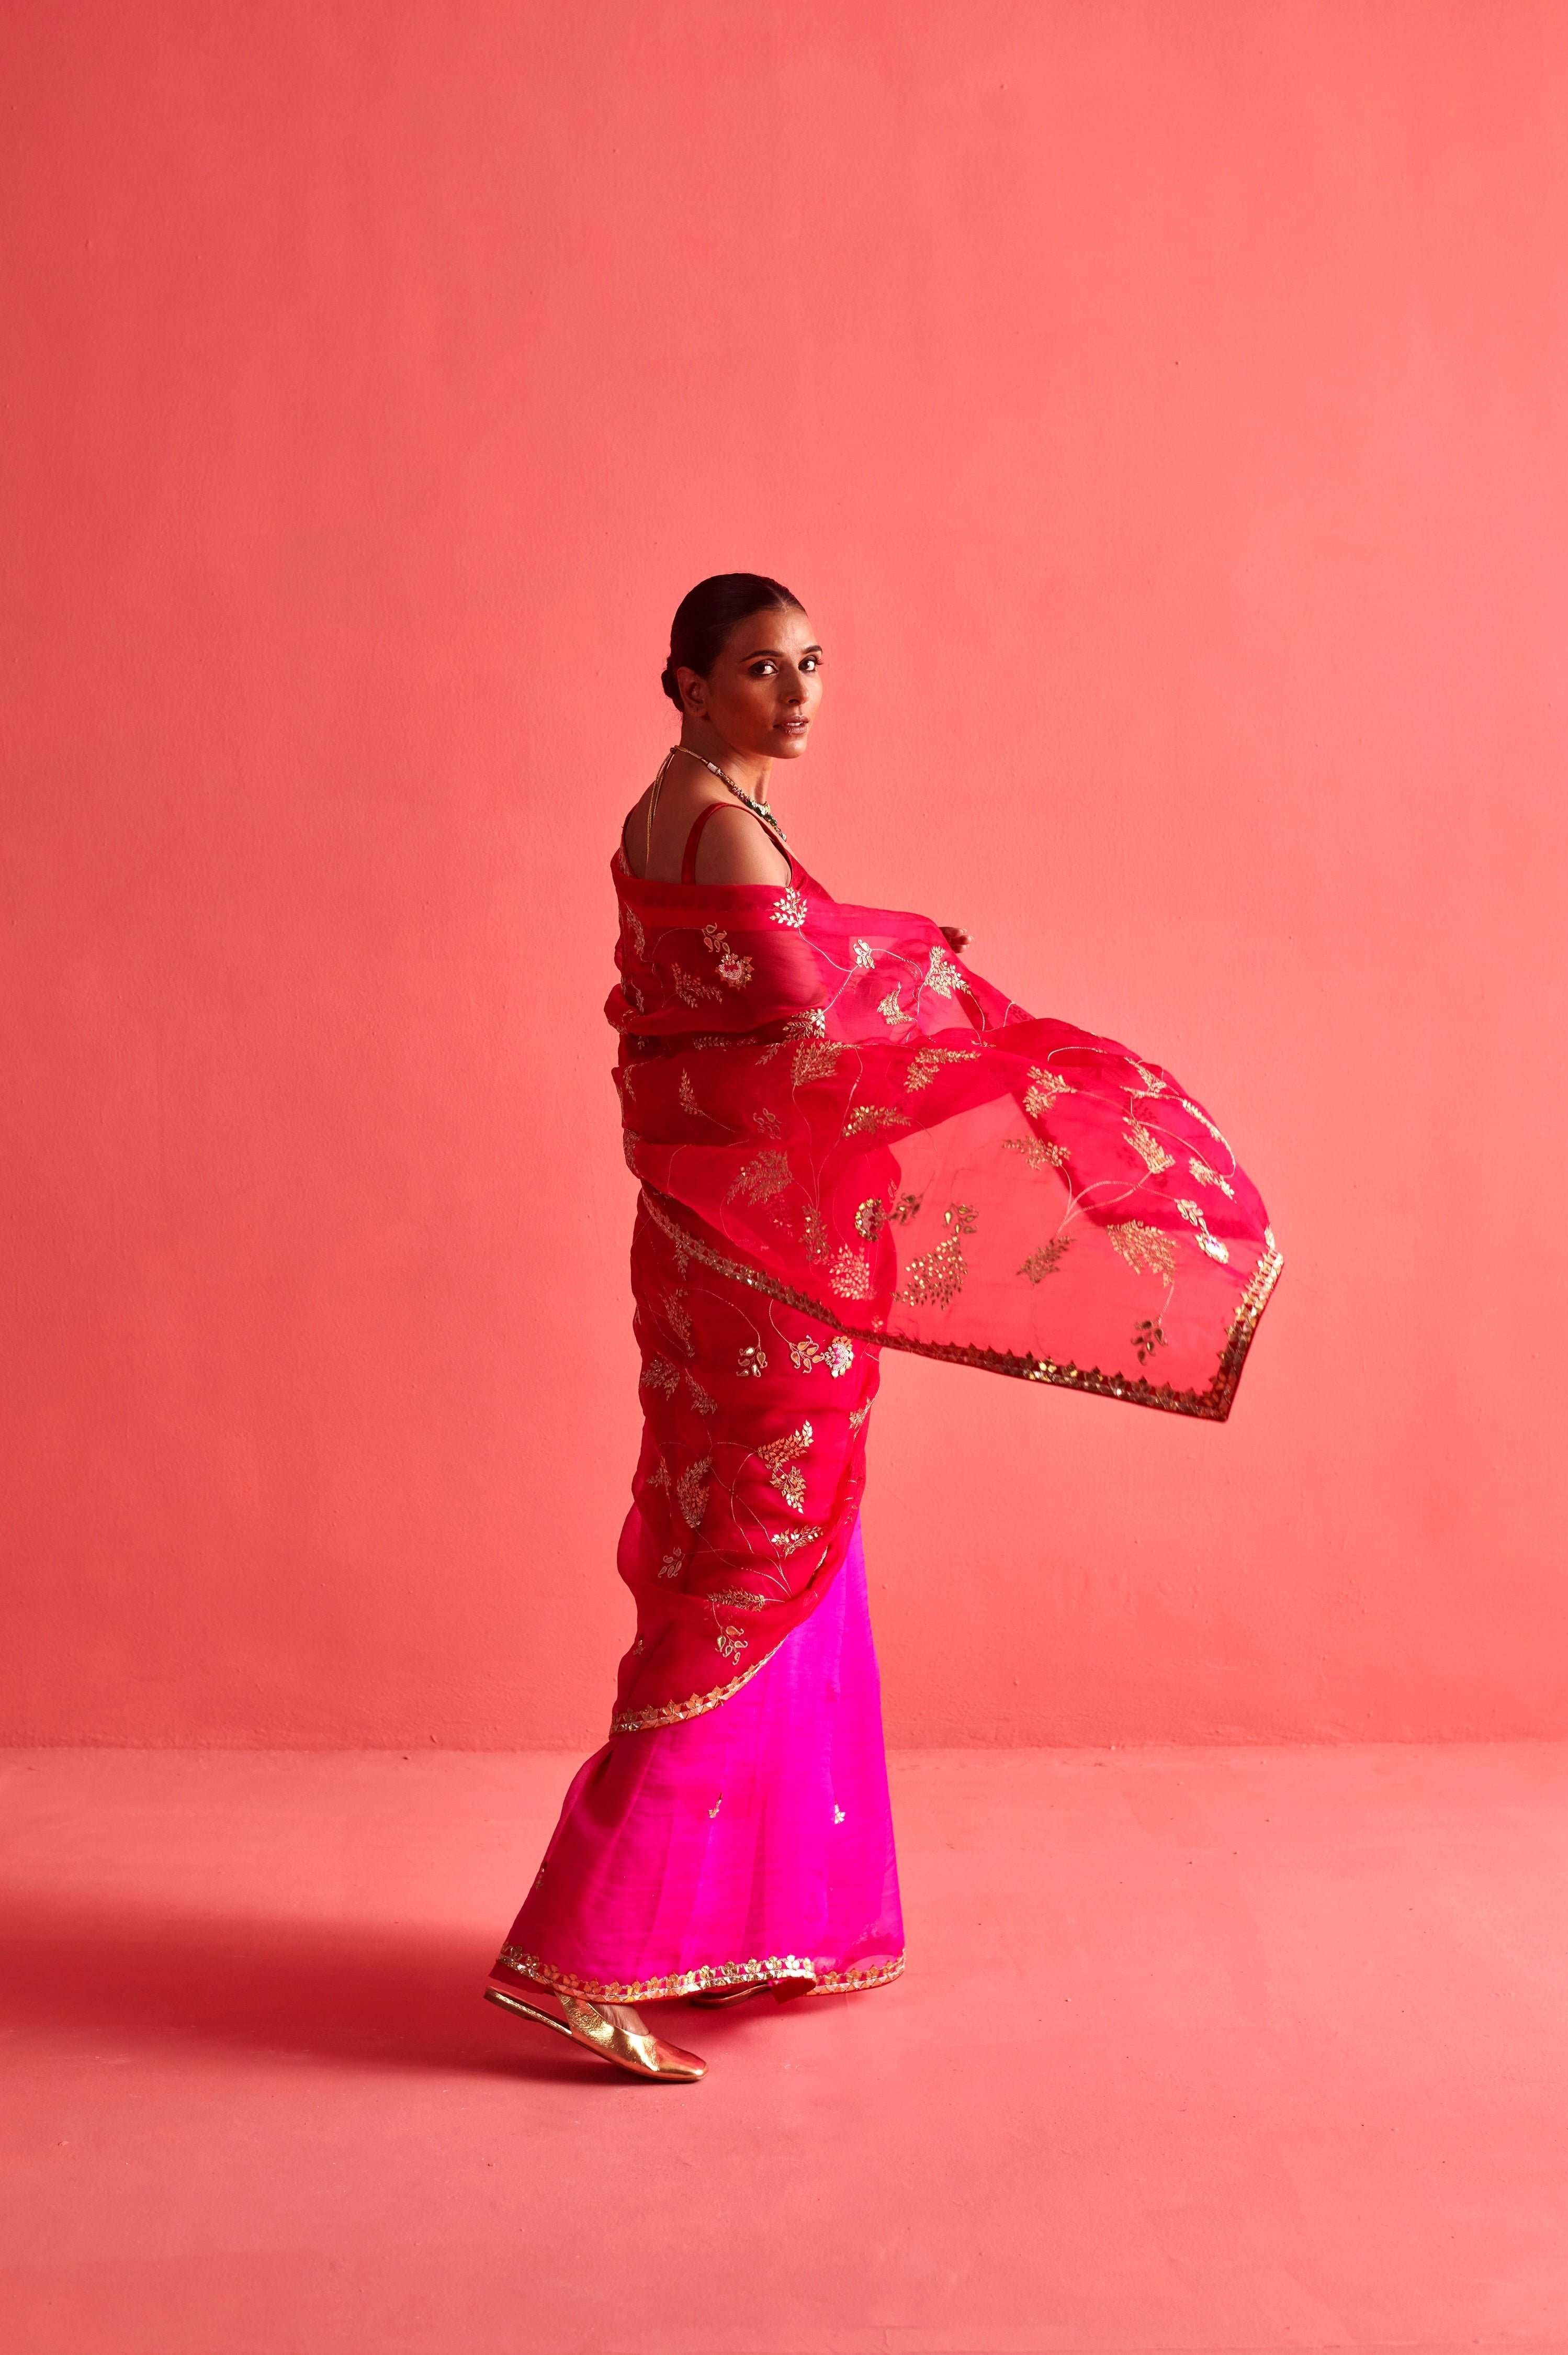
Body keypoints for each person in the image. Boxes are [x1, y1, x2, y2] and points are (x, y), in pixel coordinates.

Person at [484, 573, 1281, 2081]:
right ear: (688, 683)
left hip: (710, 1249)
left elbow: (723, 1026)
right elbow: (801, 1014)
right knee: (752, 1566)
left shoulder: (666, 812)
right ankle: (577, 1952)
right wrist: (932, 980)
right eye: (763, 669)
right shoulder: (720, 823)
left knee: (742, 1548)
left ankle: (701, 1923)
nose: (800, 695)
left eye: (813, 664)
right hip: (764, 1268)